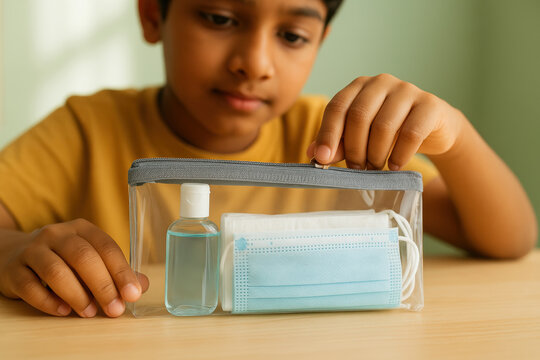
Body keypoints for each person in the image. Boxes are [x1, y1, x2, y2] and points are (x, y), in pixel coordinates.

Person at [0, 0, 536, 319]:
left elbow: (510, 238)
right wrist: (13, 249)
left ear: (320, 40)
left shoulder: (338, 140)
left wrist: (458, 137)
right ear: (151, 14)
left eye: (291, 35)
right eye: (219, 17)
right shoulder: (85, 129)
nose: (254, 63)